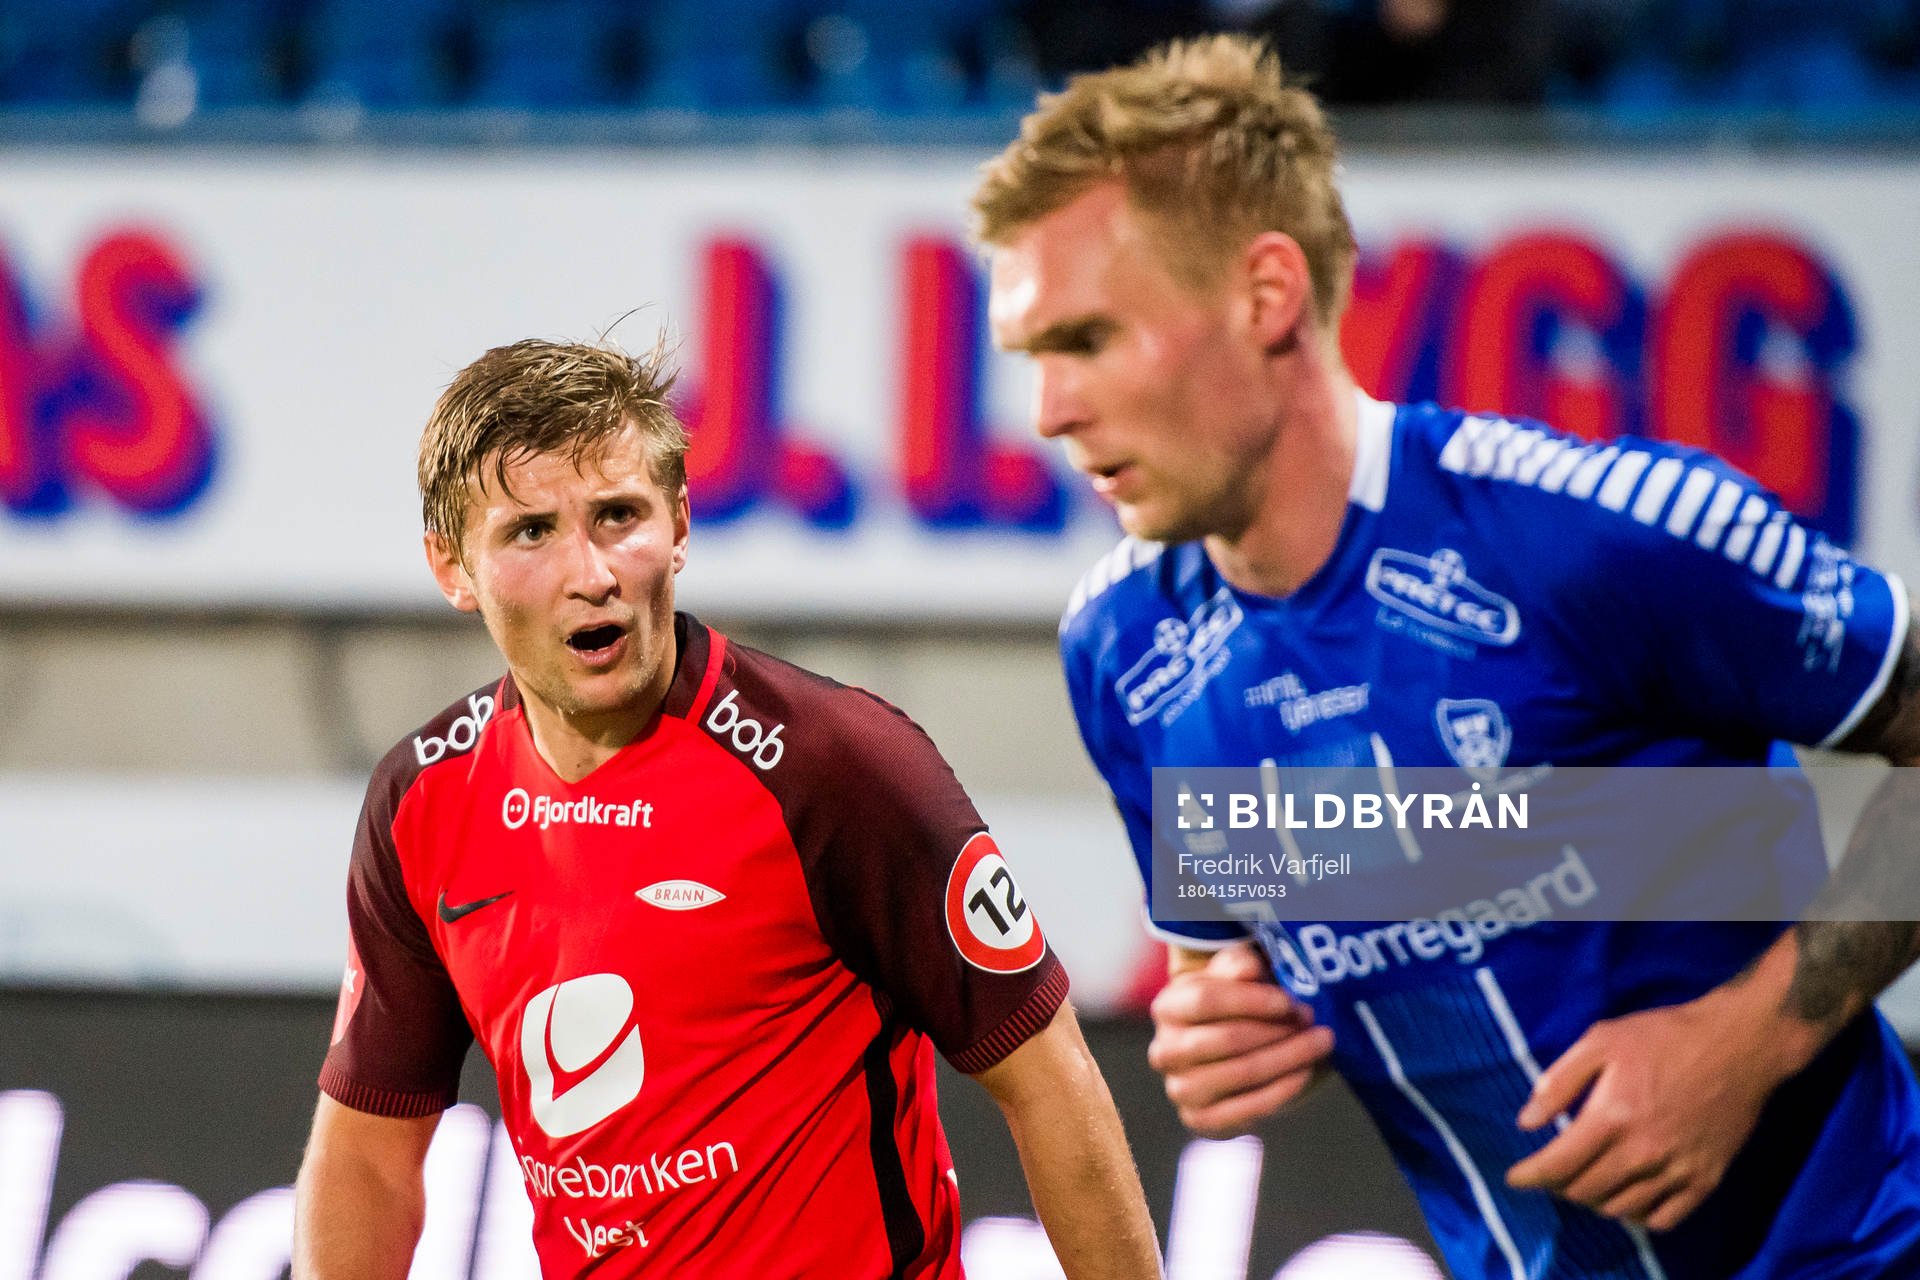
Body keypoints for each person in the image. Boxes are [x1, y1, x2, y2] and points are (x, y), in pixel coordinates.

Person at [974, 34, 1920, 1279]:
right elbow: (1230, 959)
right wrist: (1216, 1025)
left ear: (1266, 294)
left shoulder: (1587, 537)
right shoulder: (1124, 649)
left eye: (1088, 339)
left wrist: (1748, 1040)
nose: (1048, 411)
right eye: (1030, 357)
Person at [290, 338, 1162, 1279]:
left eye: (618, 516)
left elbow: (1048, 1079)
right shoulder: (421, 800)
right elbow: (372, 1157)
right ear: (452, 566)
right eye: (532, 532)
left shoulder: (840, 767)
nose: (592, 574)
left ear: (679, 526)